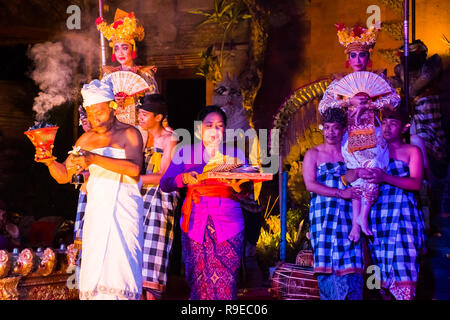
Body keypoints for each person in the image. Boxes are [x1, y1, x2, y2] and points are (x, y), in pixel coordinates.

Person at [35, 79, 144, 300]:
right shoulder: (86, 139)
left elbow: (134, 169)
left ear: (112, 107)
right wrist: (48, 161)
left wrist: (93, 158)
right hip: (97, 211)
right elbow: (64, 176)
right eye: (91, 114)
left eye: (100, 112)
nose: (95, 119)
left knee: (121, 267)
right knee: (95, 271)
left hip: (124, 210)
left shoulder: (130, 134)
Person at [318, 23, 401, 243]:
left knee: (372, 170)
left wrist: (372, 105)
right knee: (356, 177)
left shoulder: (378, 80)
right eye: (353, 55)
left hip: (372, 132)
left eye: (362, 55)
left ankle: (361, 218)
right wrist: (348, 102)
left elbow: (395, 99)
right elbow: (324, 107)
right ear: (348, 58)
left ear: (367, 57)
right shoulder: (340, 84)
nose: (357, 60)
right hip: (350, 134)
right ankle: (358, 219)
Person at [160, 105, 251, 300]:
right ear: (199, 129)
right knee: (198, 282)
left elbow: (246, 191)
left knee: (227, 281)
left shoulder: (236, 155)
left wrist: (236, 186)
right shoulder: (186, 153)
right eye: (209, 125)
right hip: (195, 222)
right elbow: (165, 183)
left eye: (219, 125)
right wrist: (184, 179)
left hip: (229, 223)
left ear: (225, 129)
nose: (214, 130)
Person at [364, 106, 425, 300]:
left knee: (403, 269)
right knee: (377, 272)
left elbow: (415, 183)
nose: (387, 127)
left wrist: (385, 177)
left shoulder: (412, 151)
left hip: (403, 217)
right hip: (377, 217)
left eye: (393, 123)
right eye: (384, 123)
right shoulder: (375, 151)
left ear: (405, 128)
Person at [303, 107, 364, 300]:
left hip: (348, 219)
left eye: (335, 128)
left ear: (344, 130)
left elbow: (359, 186)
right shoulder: (313, 154)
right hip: (323, 219)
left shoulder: (350, 155)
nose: (330, 132)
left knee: (351, 271)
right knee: (327, 273)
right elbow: (310, 184)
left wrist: (357, 221)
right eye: (327, 127)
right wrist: (340, 192)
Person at [137, 94, 179, 300]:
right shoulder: (140, 137)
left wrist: (132, 178)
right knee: (135, 256)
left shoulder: (170, 138)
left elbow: (164, 177)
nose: (140, 117)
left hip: (160, 198)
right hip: (138, 197)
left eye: (145, 114)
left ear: (159, 117)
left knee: (153, 256)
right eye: (139, 113)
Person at [97, 8, 159, 134]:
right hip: (113, 129)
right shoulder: (108, 75)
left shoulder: (144, 74)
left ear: (133, 48)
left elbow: (155, 105)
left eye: (124, 48)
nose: (120, 53)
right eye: (117, 48)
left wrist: (137, 99)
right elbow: (101, 106)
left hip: (139, 129)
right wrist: (114, 103)